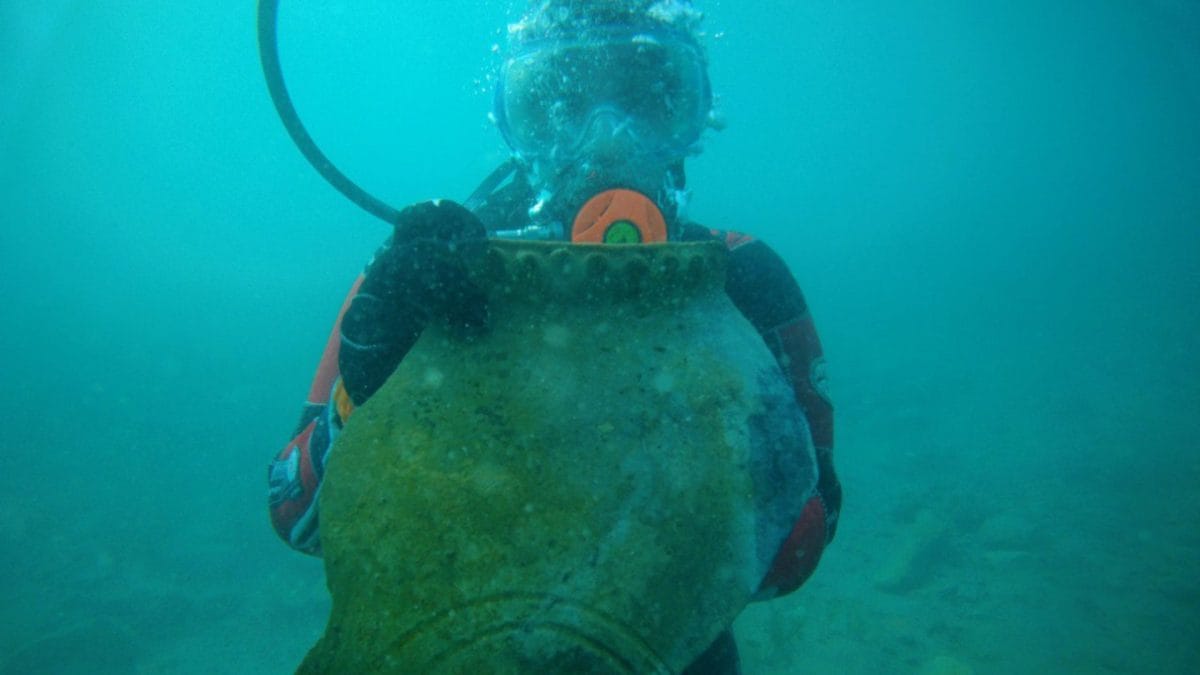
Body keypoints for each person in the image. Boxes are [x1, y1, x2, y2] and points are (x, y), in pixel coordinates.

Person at [267, 1, 841, 672]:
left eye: (647, 101)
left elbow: (806, 537)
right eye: (558, 109)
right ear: (515, 128)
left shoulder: (744, 284)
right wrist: (362, 391)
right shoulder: (423, 274)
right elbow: (297, 513)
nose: (605, 142)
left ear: (692, 120)